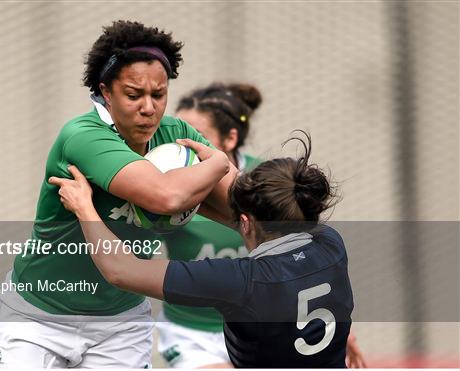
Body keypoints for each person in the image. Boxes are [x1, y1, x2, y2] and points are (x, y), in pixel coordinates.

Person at [0, 20, 237, 368]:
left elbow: (242, 204)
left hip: (121, 322)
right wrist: (220, 161)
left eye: (159, 94)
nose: (148, 107)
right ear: (106, 92)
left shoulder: (175, 133)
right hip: (38, 317)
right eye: (134, 95)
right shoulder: (83, 136)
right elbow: (165, 197)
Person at [49, 131, 356, 368]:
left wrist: (85, 208)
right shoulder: (330, 245)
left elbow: (121, 270)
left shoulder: (241, 281)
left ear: (246, 222)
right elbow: (252, 216)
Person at [158, 82, 262, 368]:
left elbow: (303, 254)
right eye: (175, 133)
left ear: (230, 139)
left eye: (195, 135)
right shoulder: (166, 185)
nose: (182, 143)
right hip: (191, 334)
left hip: (259, 331)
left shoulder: (266, 184)